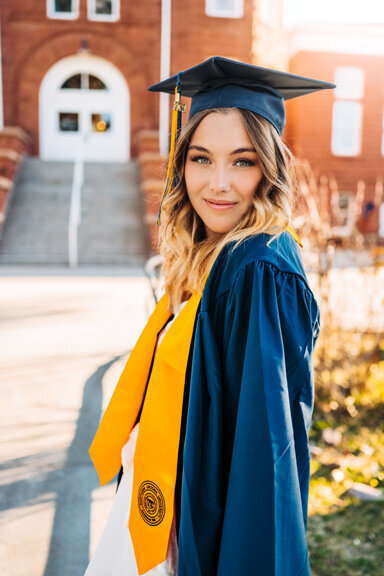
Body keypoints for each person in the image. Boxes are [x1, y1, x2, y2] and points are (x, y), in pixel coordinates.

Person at [84, 56, 335, 576]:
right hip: (158, 505)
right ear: (182, 165)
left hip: (197, 531)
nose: (218, 183)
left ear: (270, 169)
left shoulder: (258, 270)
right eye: (201, 159)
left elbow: (263, 453)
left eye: (242, 161)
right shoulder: (210, 254)